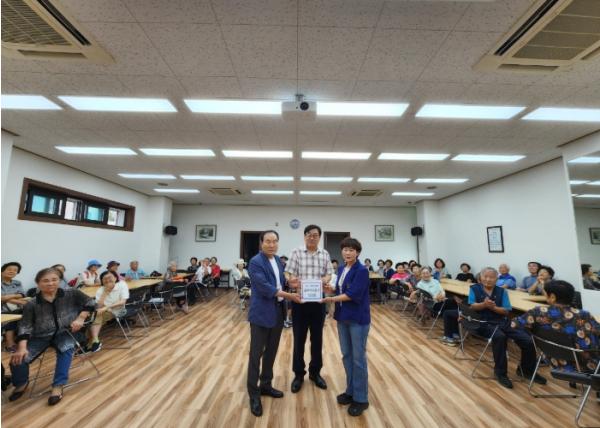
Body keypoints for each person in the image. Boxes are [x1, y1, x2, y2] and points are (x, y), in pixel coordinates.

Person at [9, 267, 95, 405]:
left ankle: (58, 385)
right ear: (38, 283)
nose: (50, 283)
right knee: (18, 358)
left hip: (66, 332)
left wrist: (81, 318)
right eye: (45, 281)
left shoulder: (71, 293)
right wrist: (22, 347)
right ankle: (22, 383)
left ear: (59, 280)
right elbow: (25, 325)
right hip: (40, 336)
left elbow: (90, 302)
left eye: (54, 279)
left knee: (65, 349)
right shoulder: (32, 303)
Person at [247, 230, 302, 417]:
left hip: (277, 312)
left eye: (275, 241)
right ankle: (254, 394)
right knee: (256, 354)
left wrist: (292, 283)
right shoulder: (256, 262)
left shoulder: (278, 260)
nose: (272, 245)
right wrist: (289, 296)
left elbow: (280, 282)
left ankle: (266, 385)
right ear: (261, 243)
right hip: (261, 314)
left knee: (271, 351)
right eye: (268, 241)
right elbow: (265, 287)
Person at [468, 267, 546, 389]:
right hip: (483, 323)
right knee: (500, 337)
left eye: (491, 277)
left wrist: (493, 308)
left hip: (502, 321)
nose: (488, 279)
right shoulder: (474, 289)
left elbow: (506, 311)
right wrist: (484, 305)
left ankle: (526, 370)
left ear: (496, 279)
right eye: (485, 277)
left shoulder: (502, 291)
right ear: (480, 278)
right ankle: (500, 373)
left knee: (528, 340)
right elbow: (472, 306)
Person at [322, 237, 371, 417]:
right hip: (343, 317)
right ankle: (350, 391)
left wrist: (331, 299)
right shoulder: (342, 268)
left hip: (358, 319)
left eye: (351, 250)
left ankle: (361, 398)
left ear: (357, 252)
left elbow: (353, 294)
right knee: (347, 356)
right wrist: (329, 290)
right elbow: (340, 290)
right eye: (345, 249)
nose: (348, 252)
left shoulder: (362, 271)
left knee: (358, 359)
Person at [512, 280, 600, 372]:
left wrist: (533, 336)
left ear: (552, 297)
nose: (544, 295)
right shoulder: (584, 315)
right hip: (587, 364)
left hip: (554, 360)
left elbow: (514, 325)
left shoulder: (537, 312)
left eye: (545, 293)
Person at [285, 224, 333, 393]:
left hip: (318, 302)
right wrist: (291, 280)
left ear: (319, 237)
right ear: (304, 236)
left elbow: (329, 273)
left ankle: (315, 373)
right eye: (309, 235)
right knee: (299, 339)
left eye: (315, 235)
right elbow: (288, 272)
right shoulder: (296, 252)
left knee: (317, 339)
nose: (312, 237)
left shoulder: (324, 253)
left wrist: (324, 280)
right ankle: (298, 374)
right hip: (299, 301)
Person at [87, 271, 129, 352]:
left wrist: (106, 307)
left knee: (93, 318)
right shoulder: (100, 290)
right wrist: (105, 292)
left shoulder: (122, 284)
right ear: (102, 281)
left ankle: (89, 343)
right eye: (104, 279)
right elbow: (99, 306)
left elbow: (122, 302)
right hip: (105, 311)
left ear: (115, 278)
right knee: (94, 316)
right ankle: (95, 341)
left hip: (119, 310)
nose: (107, 280)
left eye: (110, 277)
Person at [2, 262, 27, 352]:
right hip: (3, 309)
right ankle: (9, 344)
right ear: (2, 271)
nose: (12, 271)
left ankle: (24, 341)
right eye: (9, 269)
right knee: (13, 314)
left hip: (16, 307)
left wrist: (7, 297)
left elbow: (22, 294)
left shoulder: (17, 283)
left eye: (15, 270)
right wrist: (19, 300)